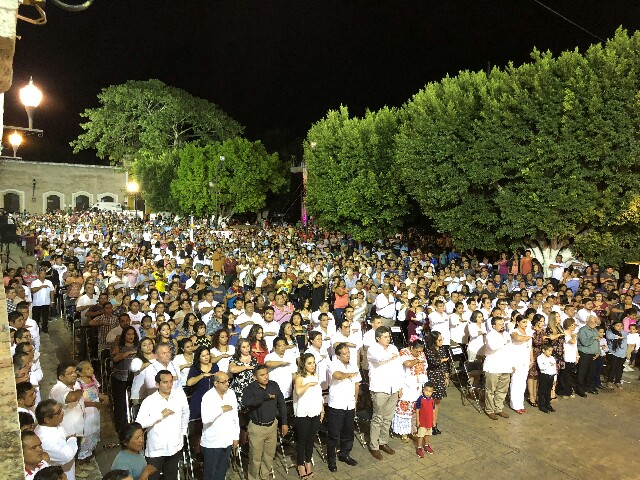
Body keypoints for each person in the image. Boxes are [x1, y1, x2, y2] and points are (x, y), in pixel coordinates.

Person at [135, 370, 190, 479]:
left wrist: (183, 432)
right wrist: (160, 415)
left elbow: (185, 413)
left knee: (171, 477)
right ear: (157, 384)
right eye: (165, 382)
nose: (169, 385)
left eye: (171, 381)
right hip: (156, 449)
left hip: (175, 446)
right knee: (153, 477)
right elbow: (139, 423)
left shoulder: (179, 396)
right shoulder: (149, 401)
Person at [242, 364, 289, 480]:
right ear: (255, 377)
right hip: (257, 428)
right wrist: (265, 396)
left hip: (272, 426)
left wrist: (284, 422)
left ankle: (265, 477)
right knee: (255, 458)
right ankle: (253, 478)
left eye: (266, 373)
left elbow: (282, 404)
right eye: (262, 375)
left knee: (268, 456)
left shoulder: (274, 385)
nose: (266, 377)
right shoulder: (250, 389)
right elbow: (247, 402)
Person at [367, 325, 403, 459]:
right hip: (380, 389)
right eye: (385, 337)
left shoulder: (393, 348)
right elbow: (380, 358)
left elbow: (398, 367)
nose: (388, 339)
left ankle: (383, 442)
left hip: (393, 388)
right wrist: (391, 356)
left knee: (388, 418)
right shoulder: (372, 349)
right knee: (378, 418)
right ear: (378, 338)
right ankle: (374, 446)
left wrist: (400, 386)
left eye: (389, 336)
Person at [326, 342, 361, 472]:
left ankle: (345, 454)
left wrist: (355, 401)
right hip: (337, 404)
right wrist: (349, 375)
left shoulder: (353, 365)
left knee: (348, 432)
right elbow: (337, 375)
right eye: (345, 353)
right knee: (334, 434)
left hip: (349, 404)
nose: (348, 355)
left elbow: (357, 384)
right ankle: (331, 460)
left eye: (348, 352)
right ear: (338, 356)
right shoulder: (332, 364)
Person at [200, 371, 240, 480]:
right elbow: (205, 419)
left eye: (228, 381)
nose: (227, 384)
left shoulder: (231, 394)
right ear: (216, 383)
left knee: (221, 473)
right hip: (213, 443)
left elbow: (235, 417)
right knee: (210, 475)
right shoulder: (208, 397)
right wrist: (221, 409)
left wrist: (235, 436)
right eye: (224, 382)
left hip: (227, 440)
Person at [293, 353, 324, 479]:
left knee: (311, 439)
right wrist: (308, 384)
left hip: (315, 411)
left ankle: (308, 461)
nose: (312, 365)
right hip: (303, 413)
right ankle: (300, 464)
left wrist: (322, 409)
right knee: (302, 440)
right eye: (309, 363)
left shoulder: (316, 376)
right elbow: (298, 391)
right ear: (303, 365)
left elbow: (319, 395)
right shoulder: (299, 377)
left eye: (313, 363)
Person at [392, 338, 427, 442]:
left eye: (420, 352)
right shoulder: (404, 352)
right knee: (405, 409)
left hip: (418, 385)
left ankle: (413, 430)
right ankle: (404, 433)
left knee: (415, 409)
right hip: (406, 386)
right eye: (417, 351)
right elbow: (407, 364)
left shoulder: (421, 354)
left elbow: (425, 366)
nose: (419, 353)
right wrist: (417, 360)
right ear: (412, 347)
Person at [35, 399, 78, 480]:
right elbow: (66, 455)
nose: (62, 412)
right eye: (58, 412)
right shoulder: (45, 439)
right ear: (47, 420)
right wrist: (72, 439)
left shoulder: (52, 425)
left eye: (61, 409)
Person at [76, 360, 109, 462]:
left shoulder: (93, 379)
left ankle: (90, 451)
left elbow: (96, 393)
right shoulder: (79, 384)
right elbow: (80, 401)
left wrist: (103, 397)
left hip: (95, 411)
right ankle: (83, 456)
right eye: (87, 368)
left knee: (94, 431)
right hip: (86, 412)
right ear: (80, 373)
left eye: (91, 367)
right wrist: (94, 404)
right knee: (86, 433)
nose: (91, 369)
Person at [483, 317, 514, 420]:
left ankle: (499, 408)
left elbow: (510, 349)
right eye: (500, 324)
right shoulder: (490, 335)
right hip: (493, 367)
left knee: (502, 390)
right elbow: (493, 347)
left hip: (505, 366)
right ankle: (490, 410)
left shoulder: (506, 334)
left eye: (503, 324)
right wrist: (505, 341)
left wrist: (512, 364)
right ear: (493, 326)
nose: (502, 326)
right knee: (490, 390)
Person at [110, 326, 139, 435]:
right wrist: (126, 354)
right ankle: (121, 428)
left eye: (133, 334)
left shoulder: (138, 347)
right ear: (124, 335)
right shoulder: (119, 347)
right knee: (120, 404)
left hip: (135, 379)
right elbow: (114, 358)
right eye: (128, 334)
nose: (131, 336)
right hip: (120, 378)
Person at [424, 331, 449, 433]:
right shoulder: (429, 350)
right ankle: (428, 423)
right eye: (439, 340)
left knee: (437, 401)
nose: (441, 341)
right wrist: (442, 360)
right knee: (430, 401)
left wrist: (446, 376)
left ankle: (434, 423)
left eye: (442, 339)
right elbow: (433, 362)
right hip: (433, 377)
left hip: (441, 376)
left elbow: (445, 364)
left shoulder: (442, 349)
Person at [509, 316, 532, 414]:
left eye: (526, 322)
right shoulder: (514, 331)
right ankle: (514, 405)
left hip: (525, 360)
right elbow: (518, 338)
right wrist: (528, 337)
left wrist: (531, 359)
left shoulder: (528, 332)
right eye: (523, 322)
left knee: (522, 383)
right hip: (516, 360)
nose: (525, 324)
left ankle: (520, 404)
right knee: (516, 382)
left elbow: (530, 347)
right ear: (518, 322)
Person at [229, 338, 258, 408]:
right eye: (244, 347)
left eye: (248, 346)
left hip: (252, 390)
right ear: (239, 348)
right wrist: (246, 367)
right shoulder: (235, 359)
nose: (247, 349)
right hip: (239, 390)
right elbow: (232, 369)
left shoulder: (254, 359)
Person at [576, 315, 600, 396]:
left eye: (595, 321)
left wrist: (598, 352)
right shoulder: (583, 330)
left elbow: (597, 343)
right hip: (585, 354)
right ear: (587, 322)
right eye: (591, 321)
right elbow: (584, 342)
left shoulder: (595, 330)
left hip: (593, 354)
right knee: (582, 372)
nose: (593, 323)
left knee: (591, 372)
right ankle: (580, 389)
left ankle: (588, 387)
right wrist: (593, 338)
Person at [556, 318, 578, 398]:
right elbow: (572, 342)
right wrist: (573, 337)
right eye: (573, 325)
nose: (575, 326)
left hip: (572, 357)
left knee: (570, 375)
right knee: (564, 376)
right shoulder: (565, 334)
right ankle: (563, 391)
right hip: (566, 357)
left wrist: (577, 356)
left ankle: (569, 390)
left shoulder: (573, 334)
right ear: (569, 326)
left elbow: (575, 346)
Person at [414, 382, 436, 457]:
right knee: (421, 435)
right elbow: (417, 410)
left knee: (428, 434)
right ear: (423, 390)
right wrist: (418, 420)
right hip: (422, 421)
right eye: (426, 391)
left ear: (432, 392)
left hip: (429, 421)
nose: (428, 393)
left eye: (430, 391)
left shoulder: (432, 399)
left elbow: (433, 410)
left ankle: (426, 445)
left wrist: (434, 420)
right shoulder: (420, 399)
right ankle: (419, 448)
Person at [605, 319, 628, 389]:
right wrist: (618, 337)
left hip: (622, 353)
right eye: (617, 326)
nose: (619, 327)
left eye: (621, 326)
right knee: (613, 367)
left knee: (620, 368)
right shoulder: (609, 332)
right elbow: (610, 337)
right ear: (613, 326)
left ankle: (618, 381)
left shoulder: (624, 333)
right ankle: (610, 380)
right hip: (613, 353)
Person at [31, 268, 55, 333]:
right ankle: (37, 329)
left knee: (45, 317)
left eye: (44, 274)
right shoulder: (34, 282)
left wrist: (52, 301)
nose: (43, 275)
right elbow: (33, 290)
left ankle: (45, 328)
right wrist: (41, 287)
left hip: (46, 302)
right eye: (41, 274)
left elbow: (52, 291)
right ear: (38, 274)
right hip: (37, 303)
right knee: (36, 317)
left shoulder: (49, 282)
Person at [536, 343, 557, 413]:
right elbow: (542, 368)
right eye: (549, 351)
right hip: (544, 376)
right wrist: (549, 364)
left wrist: (555, 378)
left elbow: (554, 368)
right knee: (542, 391)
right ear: (543, 350)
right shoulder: (540, 358)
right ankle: (542, 405)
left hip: (551, 376)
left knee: (548, 391)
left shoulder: (552, 358)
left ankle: (547, 404)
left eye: (551, 351)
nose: (550, 353)